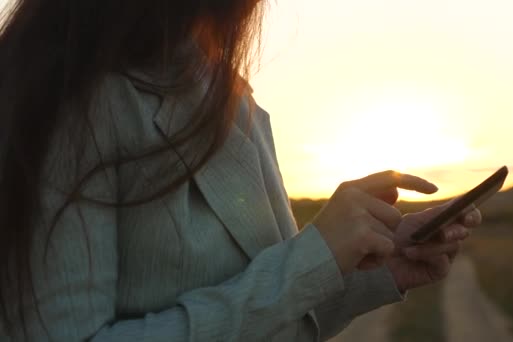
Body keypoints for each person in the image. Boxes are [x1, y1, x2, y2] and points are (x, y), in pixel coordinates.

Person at [0, 0, 482, 340]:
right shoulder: (71, 98)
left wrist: (375, 266)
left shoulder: (233, 99)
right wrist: (311, 260)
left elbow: (265, 317)